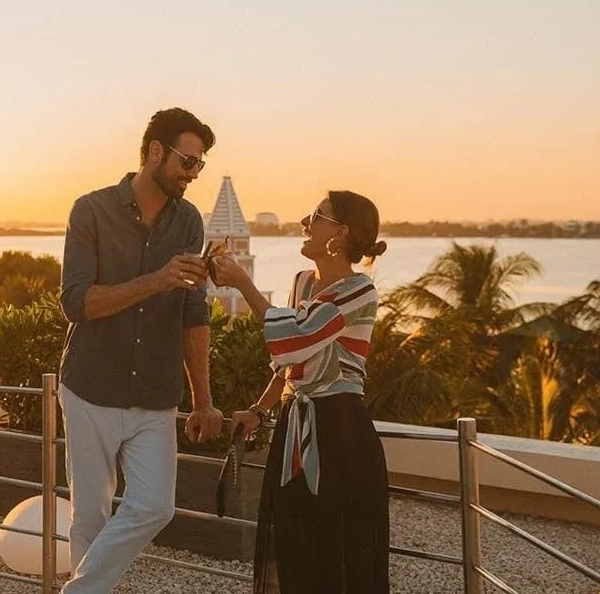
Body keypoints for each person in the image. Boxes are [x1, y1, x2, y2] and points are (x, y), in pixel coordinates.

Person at [58, 107, 224, 593]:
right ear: (155, 152)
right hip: (90, 387)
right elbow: (76, 303)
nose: (193, 174)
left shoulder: (189, 220)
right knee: (88, 516)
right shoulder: (90, 210)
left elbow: (194, 313)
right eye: (188, 162)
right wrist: (156, 280)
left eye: (199, 166)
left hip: (155, 393)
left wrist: (204, 399)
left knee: (154, 506)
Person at [210, 190, 390, 594]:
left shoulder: (359, 291)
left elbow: (295, 338)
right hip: (296, 426)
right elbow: (289, 364)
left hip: (341, 433)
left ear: (339, 234)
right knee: (293, 545)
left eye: (316, 215)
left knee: (337, 550)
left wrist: (242, 283)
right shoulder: (302, 282)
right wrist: (258, 409)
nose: (305, 222)